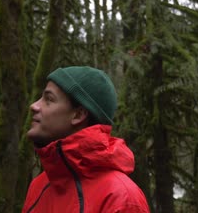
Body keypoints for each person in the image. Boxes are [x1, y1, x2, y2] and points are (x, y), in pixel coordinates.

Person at [22, 66, 150, 213]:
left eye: (49, 99)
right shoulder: (38, 187)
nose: (34, 106)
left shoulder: (121, 198)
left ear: (78, 115)